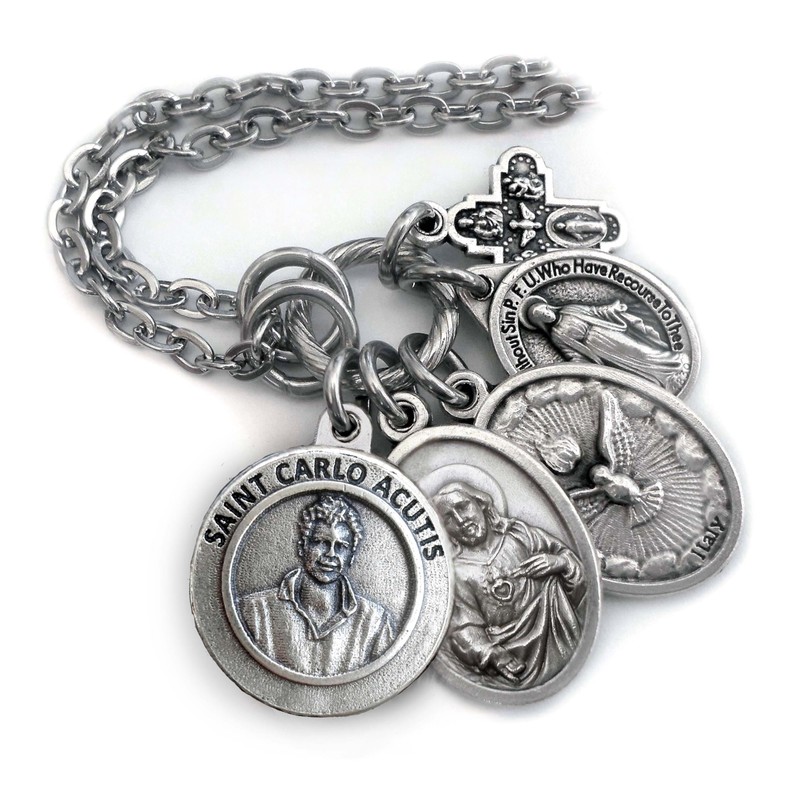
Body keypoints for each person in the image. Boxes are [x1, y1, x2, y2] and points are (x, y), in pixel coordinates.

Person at [432, 481, 584, 688]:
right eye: (448, 518)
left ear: (481, 504)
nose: (460, 520)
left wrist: (559, 562)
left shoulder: (520, 535)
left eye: (463, 507)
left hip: (558, 631)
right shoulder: (458, 573)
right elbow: (463, 627)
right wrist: (491, 653)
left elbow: (573, 563)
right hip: (512, 658)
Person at [239, 493, 395, 677]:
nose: (330, 554)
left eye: (341, 547)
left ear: (351, 557)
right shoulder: (254, 611)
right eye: (321, 543)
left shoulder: (376, 622)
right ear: (302, 547)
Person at [521, 294, 689, 392]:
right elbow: (572, 354)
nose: (546, 315)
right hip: (598, 350)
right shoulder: (556, 335)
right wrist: (581, 367)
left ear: (549, 308)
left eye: (545, 311)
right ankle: (660, 381)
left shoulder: (569, 309)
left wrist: (612, 309)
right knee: (627, 368)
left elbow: (595, 312)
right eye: (542, 316)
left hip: (606, 333)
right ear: (540, 321)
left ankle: (674, 365)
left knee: (639, 351)